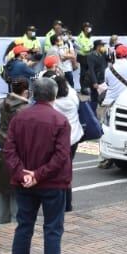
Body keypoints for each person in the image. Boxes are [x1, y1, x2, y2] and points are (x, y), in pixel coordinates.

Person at [5, 77, 76, 254]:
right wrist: (38, 174)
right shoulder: (60, 120)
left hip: (24, 181)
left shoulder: (19, 118)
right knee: (53, 228)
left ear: (33, 94)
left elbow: (9, 150)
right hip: (52, 183)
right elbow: (62, 155)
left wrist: (23, 174)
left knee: (24, 226)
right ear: (54, 95)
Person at [0, 78, 31, 226]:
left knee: (3, 193)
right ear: (26, 91)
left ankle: (2, 226)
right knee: (18, 194)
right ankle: (15, 228)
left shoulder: (3, 104)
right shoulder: (25, 110)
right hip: (18, 153)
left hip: (2, 151)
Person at [48, 70, 83, 212]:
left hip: (59, 141)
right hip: (74, 137)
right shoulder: (73, 95)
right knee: (66, 172)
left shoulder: (53, 103)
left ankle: (60, 204)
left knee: (57, 173)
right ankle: (67, 205)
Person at [80, 38, 109, 107]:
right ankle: (93, 112)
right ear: (98, 46)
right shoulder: (91, 56)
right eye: (102, 45)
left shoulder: (103, 54)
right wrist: (94, 82)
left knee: (103, 96)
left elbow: (108, 61)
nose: (104, 47)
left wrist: (109, 54)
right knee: (94, 97)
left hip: (103, 79)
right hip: (95, 79)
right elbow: (91, 70)